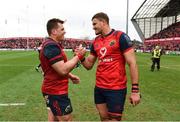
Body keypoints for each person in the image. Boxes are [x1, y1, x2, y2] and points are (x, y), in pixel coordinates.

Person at [80, 12, 141, 121]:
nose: (93, 27)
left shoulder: (120, 37)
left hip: (116, 88)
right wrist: (81, 57)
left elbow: (132, 63)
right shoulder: (96, 41)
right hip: (99, 88)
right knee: (104, 118)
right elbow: (89, 65)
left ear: (103, 22)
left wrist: (135, 90)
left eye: (95, 24)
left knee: (114, 119)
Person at [39, 18, 86, 121]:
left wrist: (70, 76)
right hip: (55, 91)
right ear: (54, 31)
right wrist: (78, 56)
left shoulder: (52, 44)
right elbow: (62, 69)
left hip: (53, 90)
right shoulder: (51, 45)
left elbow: (55, 67)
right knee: (66, 119)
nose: (65, 31)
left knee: (54, 119)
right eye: (62, 29)